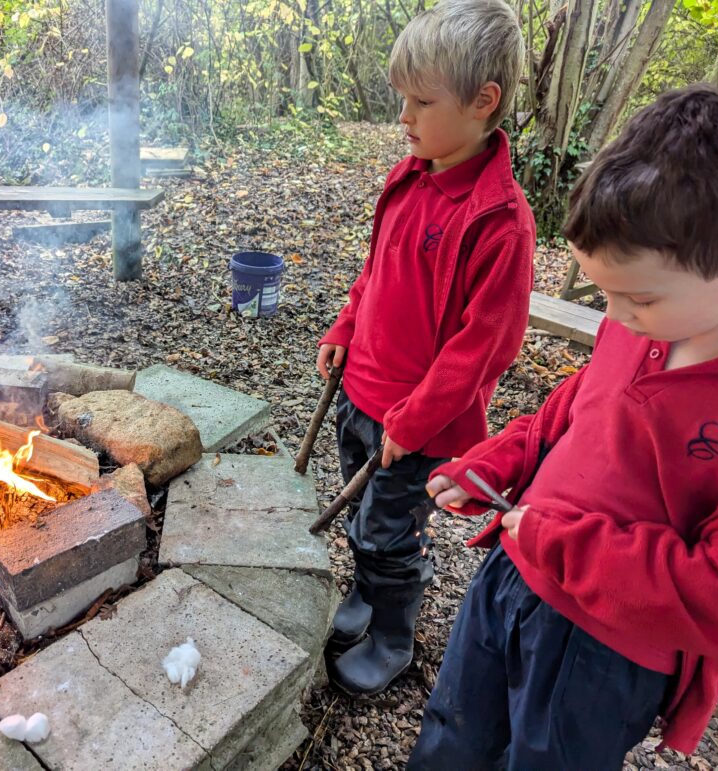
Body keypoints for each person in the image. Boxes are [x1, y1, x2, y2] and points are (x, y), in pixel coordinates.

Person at [408, 84, 718, 769]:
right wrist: (500, 460)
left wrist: (565, 545)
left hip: (604, 651)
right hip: (510, 575)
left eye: (635, 297)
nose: (614, 317)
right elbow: (575, 409)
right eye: (603, 293)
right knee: (452, 737)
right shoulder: (643, 323)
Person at [316, 0, 535, 695]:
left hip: (418, 423)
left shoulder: (498, 222)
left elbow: (484, 349)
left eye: (421, 101)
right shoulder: (409, 174)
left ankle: (392, 633)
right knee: (364, 517)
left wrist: (412, 423)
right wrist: (345, 328)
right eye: (402, 100)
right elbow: (376, 270)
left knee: (392, 530)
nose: (403, 117)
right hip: (362, 395)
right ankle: (368, 590)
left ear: (482, 102)